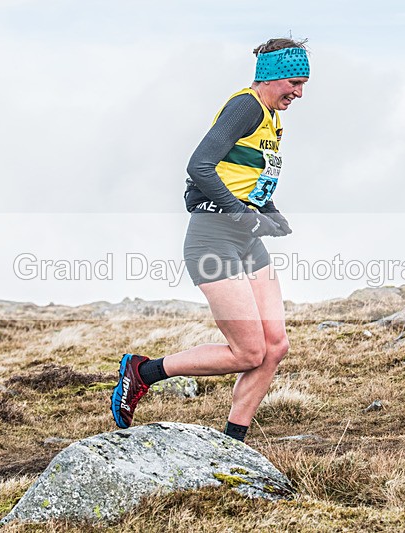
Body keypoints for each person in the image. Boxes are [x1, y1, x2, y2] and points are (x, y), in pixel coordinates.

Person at [111, 37, 309, 443]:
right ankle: (142, 372)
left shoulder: (272, 117)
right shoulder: (246, 107)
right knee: (248, 352)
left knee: (275, 346)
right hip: (212, 240)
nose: (299, 92)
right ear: (271, 77)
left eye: (304, 83)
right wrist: (240, 214)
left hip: (245, 240)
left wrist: (270, 213)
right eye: (294, 81)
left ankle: (234, 442)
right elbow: (199, 165)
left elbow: (245, 176)